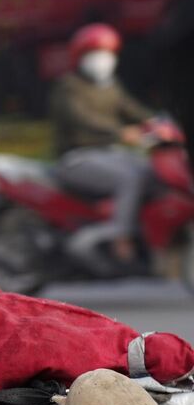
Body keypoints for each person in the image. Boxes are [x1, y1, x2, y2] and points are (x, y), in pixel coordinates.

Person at [49, 22, 159, 265]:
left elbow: (135, 111)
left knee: (152, 171)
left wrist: (159, 122)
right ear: (80, 56)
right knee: (130, 178)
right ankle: (122, 237)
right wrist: (121, 132)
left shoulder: (111, 87)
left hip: (109, 153)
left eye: (108, 54)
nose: (103, 60)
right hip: (77, 159)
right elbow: (85, 119)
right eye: (96, 54)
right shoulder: (69, 86)